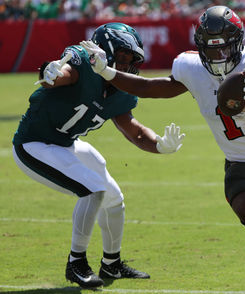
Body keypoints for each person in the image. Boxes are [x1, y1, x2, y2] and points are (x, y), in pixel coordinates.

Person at [49, 6, 245, 292]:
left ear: (238, 43)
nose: (217, 57)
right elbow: (150, 88)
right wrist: (106, 72)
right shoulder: (191, 68)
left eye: (223, 48)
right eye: (210, 48)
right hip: (241, 161)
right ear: (200, 46)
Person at [12, 22, 185, 289]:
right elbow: (61, 75)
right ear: (104, 50)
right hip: (34, 144)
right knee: (93, 189)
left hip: (65, 142)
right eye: (124, 56)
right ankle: (76, 262)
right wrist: (51, 72)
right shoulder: (82, 62)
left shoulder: (121, 89)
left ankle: (111, 264)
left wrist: (160, 145)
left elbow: (134, 131)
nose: (127, 65)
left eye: (132, 59)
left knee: (114, 197)